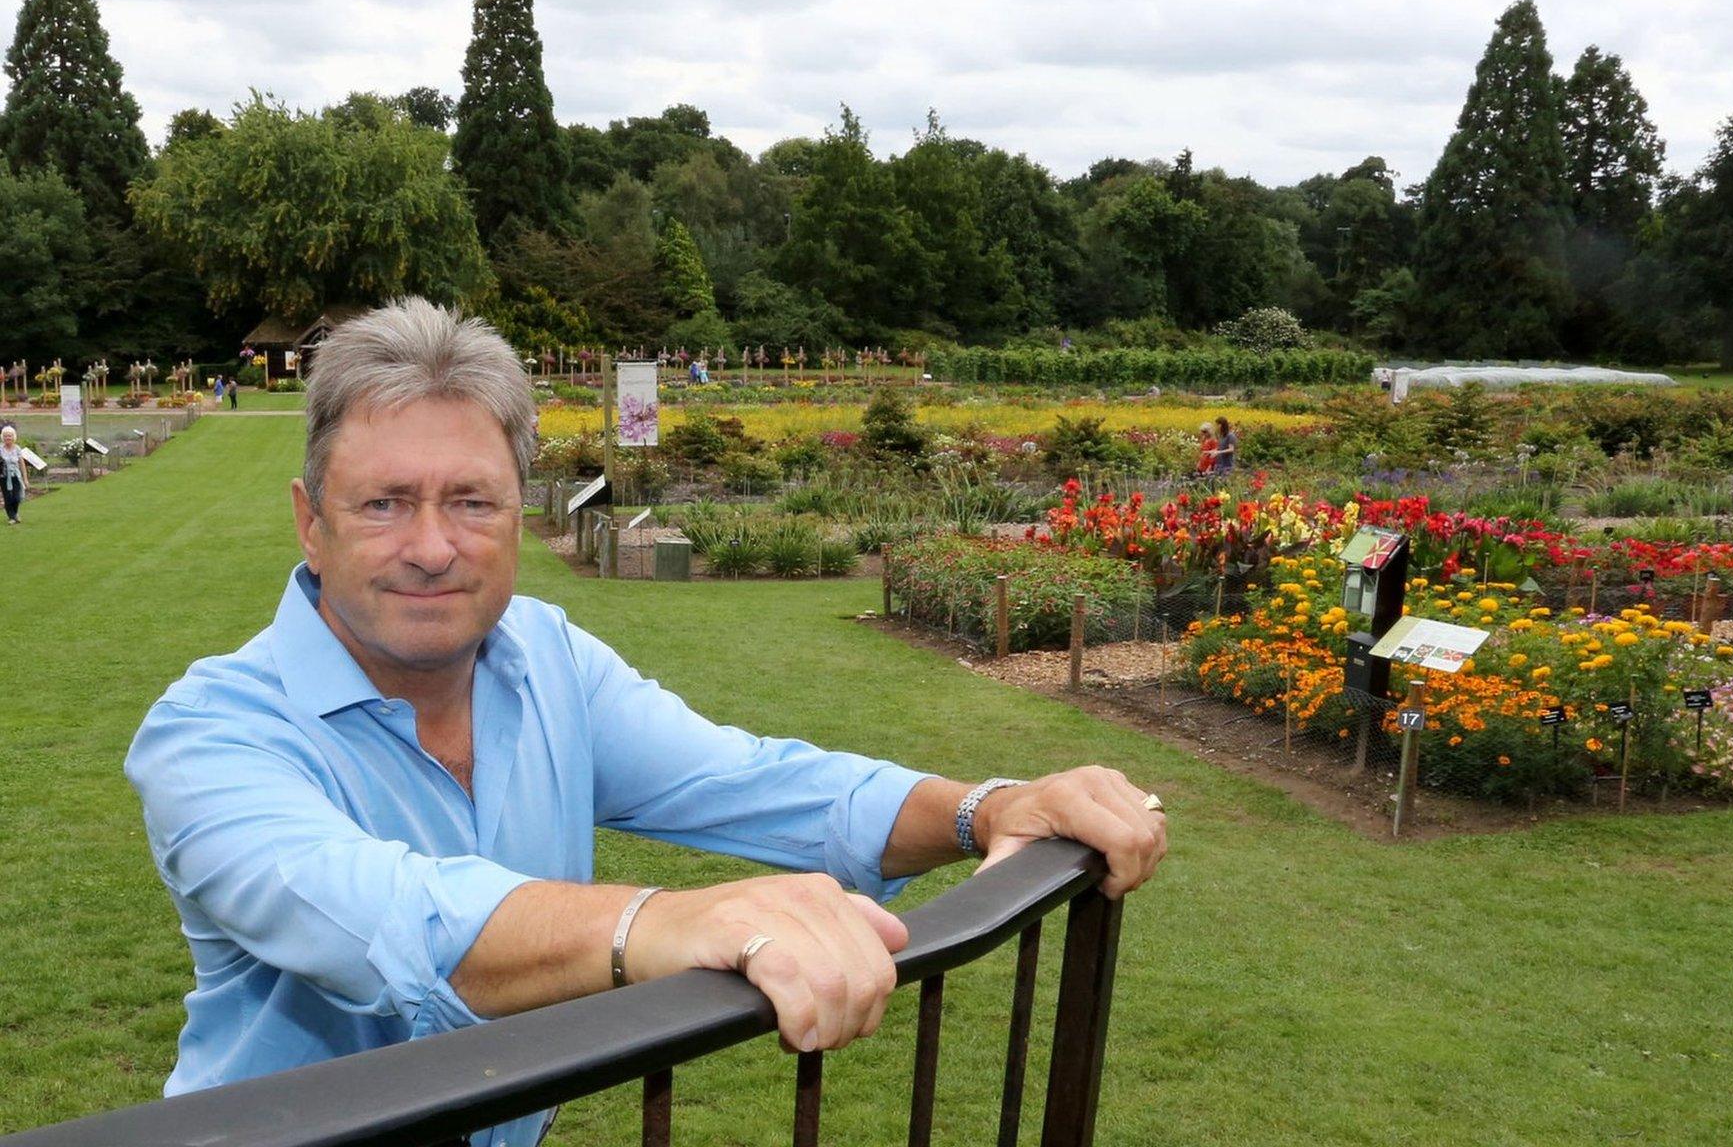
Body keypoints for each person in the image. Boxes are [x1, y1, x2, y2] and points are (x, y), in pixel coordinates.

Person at [123, 299, 1166, 1147]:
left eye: (473, 503)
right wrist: (660, 925)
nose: (434, 546)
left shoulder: (548, 660)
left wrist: (990, 808)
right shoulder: (212, 735)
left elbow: (756, 782)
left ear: (521, 515)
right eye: (385, 503)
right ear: (311, 522)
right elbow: (392, 921)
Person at [1, 424, 27, 524]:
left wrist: (25, 479)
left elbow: (22, 464)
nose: (8, 437)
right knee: (8, 498)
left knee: (17, 497)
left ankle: (15, 513)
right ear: (3, 437)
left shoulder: (17, 448)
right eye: (6, 435)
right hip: (3, 477)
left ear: (13, 437)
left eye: (10, 435)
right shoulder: (0, 449)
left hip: (15, 476)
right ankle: (11, 517)